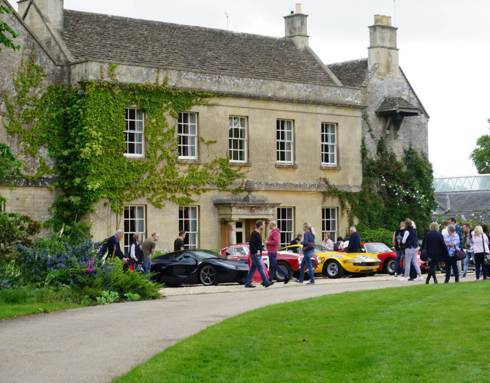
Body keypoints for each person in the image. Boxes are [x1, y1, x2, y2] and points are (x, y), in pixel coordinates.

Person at [244, 220, 272, 288]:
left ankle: (247, 283)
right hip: (255, 254)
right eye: (263, 225)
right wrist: (256, 251)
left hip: (257, 254)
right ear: (260, 225)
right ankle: (265, 282)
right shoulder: (254, 233)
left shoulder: (258, 233)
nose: (264, 226)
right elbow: (251, 243)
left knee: (253, 269)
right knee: (260, 268)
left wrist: (262, 248)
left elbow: (257, 244)